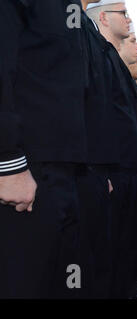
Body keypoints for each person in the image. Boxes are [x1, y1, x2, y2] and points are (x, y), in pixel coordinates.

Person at [0, 0, 93, 298]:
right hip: (26, 171)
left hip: (60, 171)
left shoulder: (68, 9)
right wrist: (8, 161)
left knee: (59, 283)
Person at [86, 0, 137, 299]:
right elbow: (96, 111)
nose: (129, 18)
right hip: (109, 168)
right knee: (109, 247)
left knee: (123, 242)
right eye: (123, 13)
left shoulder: (108, 54)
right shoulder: (95, 49)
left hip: (124, 167)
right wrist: (101, 168)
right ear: (105, 18)